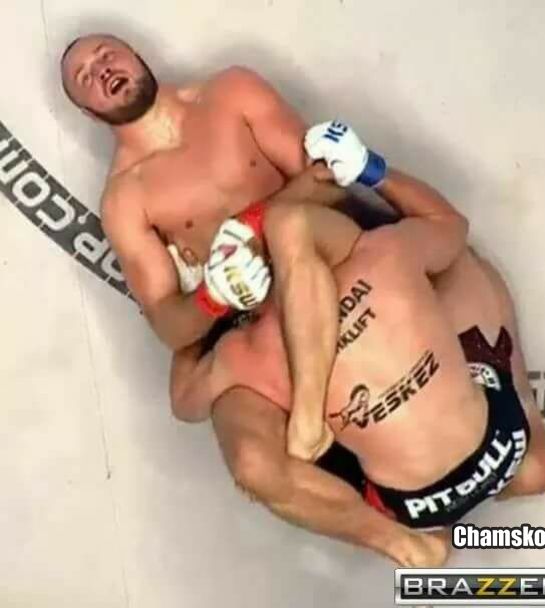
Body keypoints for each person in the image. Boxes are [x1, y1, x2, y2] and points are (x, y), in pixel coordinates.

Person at [60, 34, 422, 562]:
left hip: (326, 256)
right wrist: (212, 295)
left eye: (106, 54)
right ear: (89, 113)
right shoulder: (125, 199)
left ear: (135, 54)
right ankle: (405, 546)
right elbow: (168, 324)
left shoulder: (232, 91)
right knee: (253, 463)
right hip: (251, 316)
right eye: (84, 77)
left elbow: (328, 178)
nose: (101, 70)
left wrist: (247, 228)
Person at [169, 122, 545, 566]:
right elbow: (451, 226)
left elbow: (185, 401)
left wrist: (208, 299)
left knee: (250, 449)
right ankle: (531, 446)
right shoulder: (388, 253)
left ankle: (403, 542)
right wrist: (373, 171)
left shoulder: (249, 354)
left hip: (413, 506)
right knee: (463, 266)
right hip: (502, 441)